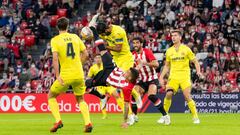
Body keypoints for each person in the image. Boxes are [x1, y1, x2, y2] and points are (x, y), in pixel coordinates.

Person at [48, 17, 92, 133]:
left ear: (57, 27)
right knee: (80, 99)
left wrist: (57, 75)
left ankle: (58, 120)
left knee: (51, 96)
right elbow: (86, 54)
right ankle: (88, 123)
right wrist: (78, 64)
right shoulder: (75, 37)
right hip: (79, 74)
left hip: (65, 75)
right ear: (68, 26)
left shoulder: (55, 40)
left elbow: (55, 59)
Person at [96, 18, 142, 125]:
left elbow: (118, 48)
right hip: (116, 60)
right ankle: (135, 97)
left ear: (108, 27)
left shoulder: (119, 31)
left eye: (104, 33)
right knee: (119, 85)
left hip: (126, 58)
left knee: (124, 85)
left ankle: (130, 114)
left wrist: (105, 47)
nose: (104, 35)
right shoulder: (104, 31)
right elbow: (97, 33)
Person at [85, 39, 139, 128]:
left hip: (105, 80)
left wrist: (125, 121)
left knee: (86, 84)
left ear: (129, 78)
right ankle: (93, 28)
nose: (125, 72)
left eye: (127, 73)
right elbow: (136, 70)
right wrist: (140, 64)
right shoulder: (132, 75)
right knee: (102, 49)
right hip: (111, 68)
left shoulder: (126, 87)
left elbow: (126, 105)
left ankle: (102, 97)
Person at [159, 30, 202, 124]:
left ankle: (195, 117)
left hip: (184, 76)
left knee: (187, 96)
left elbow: (195, 61)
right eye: (172, 36)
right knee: (168, 94)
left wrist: (198, 71)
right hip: (173, 77)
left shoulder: (186, 49)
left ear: (180, 37)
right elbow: (167, 66)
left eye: (175, 35)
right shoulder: (169, 51)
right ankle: (164, 115)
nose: (173, 37)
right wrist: (161, 77)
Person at [132, 37, 170, 125]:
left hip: (152, 78)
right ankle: (134, 116)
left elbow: (156, 64)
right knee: (134, 94)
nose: (135, 45)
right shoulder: (132, 55)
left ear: (141, 44)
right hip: (141, 80)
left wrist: (144, 63)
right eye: (134, 43)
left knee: (151, 96)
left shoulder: (147, 52)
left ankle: (165, 115)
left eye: (137, 43)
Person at [87, 54, 122, 119]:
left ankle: (125, 112)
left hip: (109, 84)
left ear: (102, 59)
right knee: (102, 98)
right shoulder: (92, 68)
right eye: (96, 58)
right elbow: (89, 77)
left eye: (99, 58)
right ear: (94, 60)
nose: (98, 59)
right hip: (100, 86)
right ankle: (104, 115)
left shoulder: (105, 65)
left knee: (116, 95)